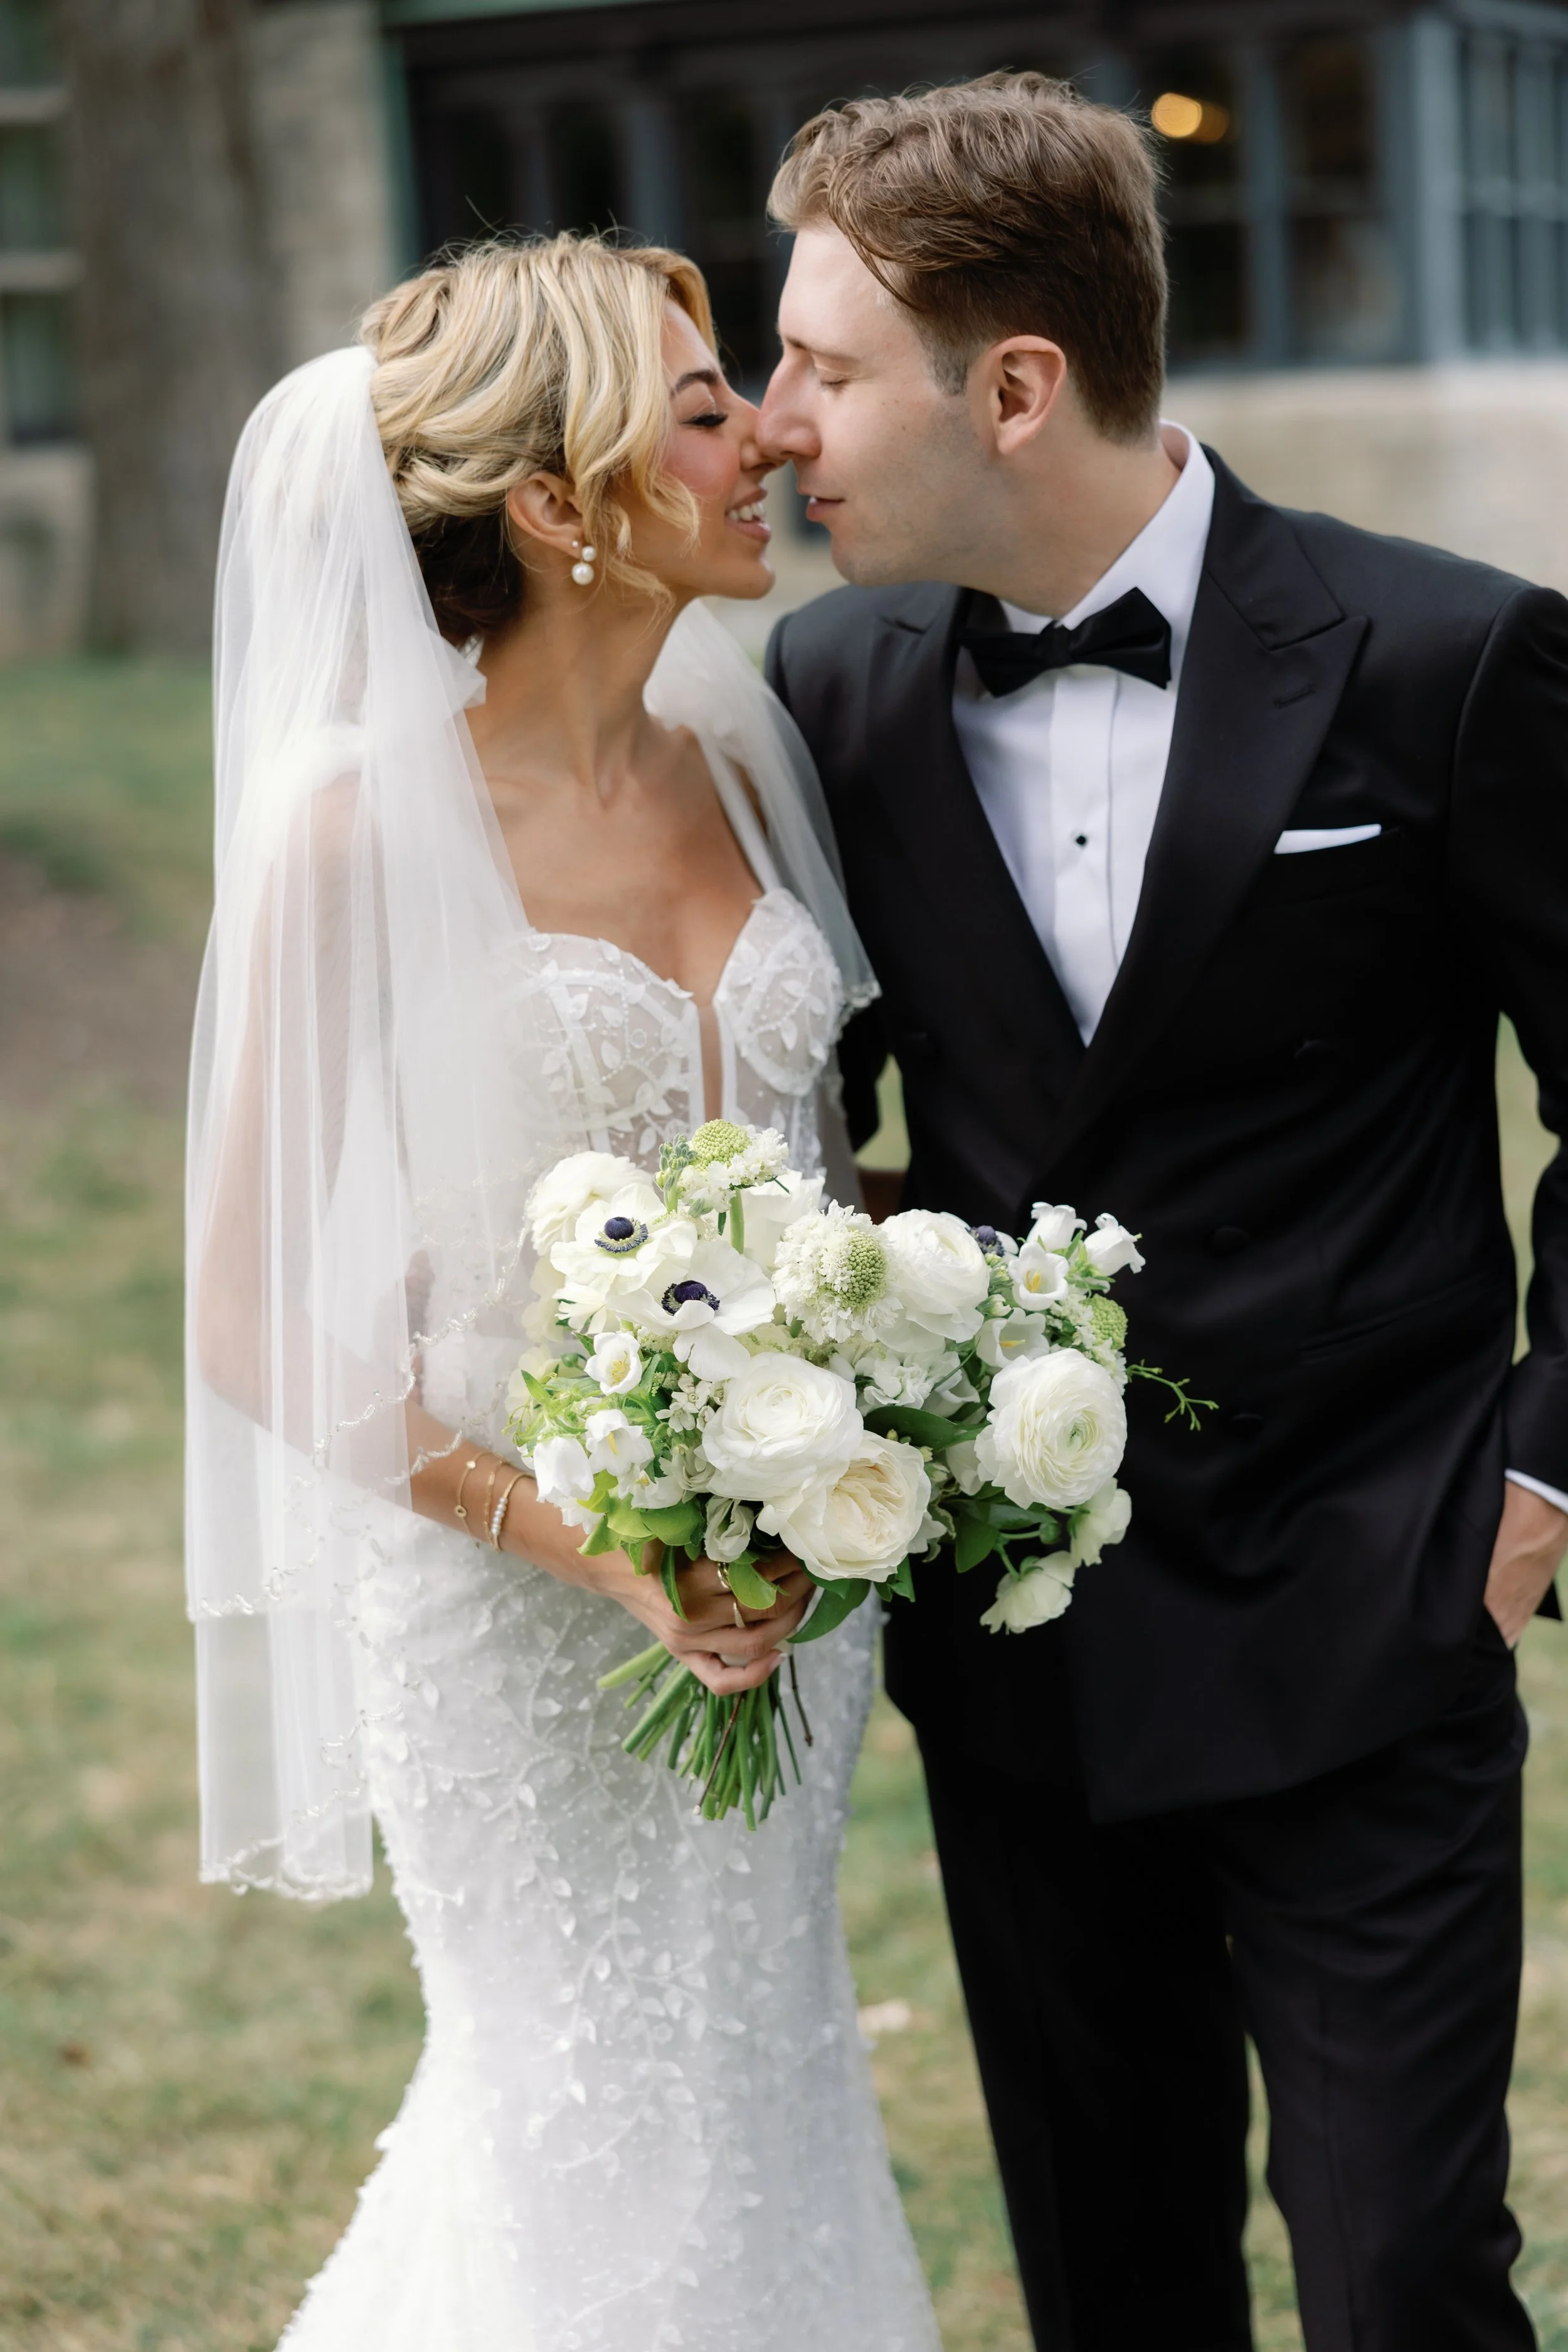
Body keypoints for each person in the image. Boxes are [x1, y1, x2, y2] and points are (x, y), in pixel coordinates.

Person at [760, 72, 1568, 2352]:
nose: (773, 415)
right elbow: (807, 1121)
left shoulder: (1447, 658)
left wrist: (1531, 1474)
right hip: (1022, 1659)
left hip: (1371, 1604)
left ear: (1011, 385)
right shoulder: (827, 685)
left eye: (820, 364)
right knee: (1113, 2285)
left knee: (1407, 2281)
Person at [184, 235, 938, 2352]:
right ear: (551, 500)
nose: (764, 441)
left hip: (785, 1587)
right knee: (568, 2116)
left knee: (764, 2078)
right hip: (511, 1599)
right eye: (704, 412)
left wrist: (925, 1344)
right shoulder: (351, 829)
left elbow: (805, 1183)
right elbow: (247, 1308)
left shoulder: (747, 764)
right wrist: (592, 1546)